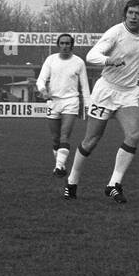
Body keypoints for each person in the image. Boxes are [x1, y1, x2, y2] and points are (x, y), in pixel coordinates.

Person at [63, 0, 139, 204]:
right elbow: (91, 55)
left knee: (134, 135)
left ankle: (113, 185)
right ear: (125, 14)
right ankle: (72, 182)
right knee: (91, 140)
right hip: (106, 91)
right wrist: (109, 60)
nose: (133, 17)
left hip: (128, 93)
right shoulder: (115, 33)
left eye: (138, 13)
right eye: (130, 12)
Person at [36, 34, 91, 176]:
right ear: (58, 45)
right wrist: (43, 90)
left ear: (72, 45)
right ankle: (60, 164)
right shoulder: (51, 60)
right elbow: (41, 80)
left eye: (67, 43)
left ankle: (59, 167)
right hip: (53, 101)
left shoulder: (79, 62)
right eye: (62, 43)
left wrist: (88, 106)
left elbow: (85, 86)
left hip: (71, 101)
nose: (65, 46)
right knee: (55, 138)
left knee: (64, 135)